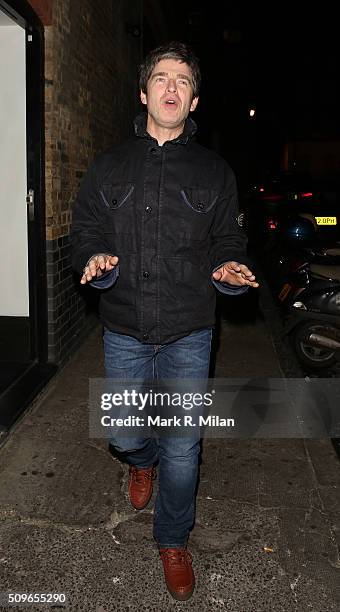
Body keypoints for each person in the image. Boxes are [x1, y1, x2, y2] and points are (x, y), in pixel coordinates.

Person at [71, 41, 258, 601]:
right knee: (125, 432)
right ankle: (139, 460)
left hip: (189, 331)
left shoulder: (215, 171)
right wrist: (94, 260)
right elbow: (85, 231)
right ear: (144, 92)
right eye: (161, 77)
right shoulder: (109, 165)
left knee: (183, 445)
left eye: (182, 80)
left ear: (193, 100)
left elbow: (230, 239)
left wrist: (229, 267)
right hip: (124, 326)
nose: (171, 86)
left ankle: (172, 538)